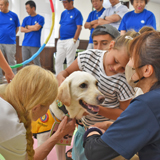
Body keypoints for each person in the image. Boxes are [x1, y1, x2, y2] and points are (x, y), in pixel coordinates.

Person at [57, 31, 139, 160]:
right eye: (115, 60)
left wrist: (96, 109)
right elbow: (65, 72)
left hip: (108, 134)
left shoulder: (125, 80)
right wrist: (61, 78)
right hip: (83, 129)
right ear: (111, 46)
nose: (116, 68)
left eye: (123, 67)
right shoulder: (87, 58)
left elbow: (124, 114)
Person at [83, 30, 160, 160]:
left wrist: (92, 131)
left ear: (147, 70)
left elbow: (96, 152)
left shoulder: (147, 104)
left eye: (131, 59)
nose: (126, 65)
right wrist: (112, 126)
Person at [0, 65, 76, 160]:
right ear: (35, 108)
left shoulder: (5, 92)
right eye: (48, 105)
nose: (48, 109)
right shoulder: (11, 127)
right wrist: (59, 134)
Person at [55, 0, 83, 75]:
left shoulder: (77, 12)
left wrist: (74, 40)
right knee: (58, 61)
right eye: (63, 2)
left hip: (71, 40)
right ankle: (58, 79)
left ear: (71, 2)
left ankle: (69, 80)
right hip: (61, 41)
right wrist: (59, 38)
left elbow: (79, 27)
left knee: (69, 62)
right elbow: (61, 25)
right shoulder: (63, 13)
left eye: (65, 2)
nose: (64, 4)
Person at [0, 0, 20, 83]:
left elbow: (17, 28)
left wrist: (11, 36)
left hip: (10, 43)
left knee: (11, 61)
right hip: (0, 42)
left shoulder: (14, 16)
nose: (0, 7)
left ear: (7, 4)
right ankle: (0, 78)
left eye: (1, 5)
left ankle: (13, 78)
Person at [21, 0, 45, 67]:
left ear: (33, 8)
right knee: (25, 63)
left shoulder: (40, 18)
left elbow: (37, 28)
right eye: (26, 8)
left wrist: (27, 27)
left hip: (35, 44)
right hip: (25, 44)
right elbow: (22, 29)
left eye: (27, 8)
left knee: (36, 63)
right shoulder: (25, 19)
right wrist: (33, 28)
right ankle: (26, 77)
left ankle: (39, 77)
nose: (26, 10)